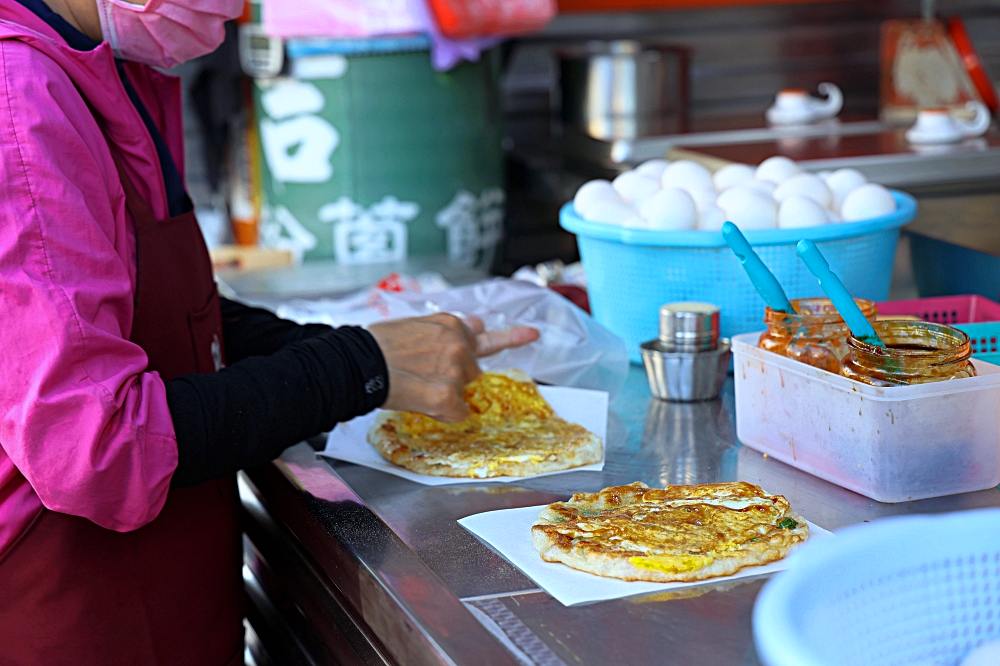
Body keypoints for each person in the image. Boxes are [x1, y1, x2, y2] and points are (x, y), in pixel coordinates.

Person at [0, 0, 539, 663]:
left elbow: (152, 309)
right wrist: (355, 367)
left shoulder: (106, 65)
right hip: (75, 616)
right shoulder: (18, 103)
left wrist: (334, 347)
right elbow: (100, 446)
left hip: (167, 603)